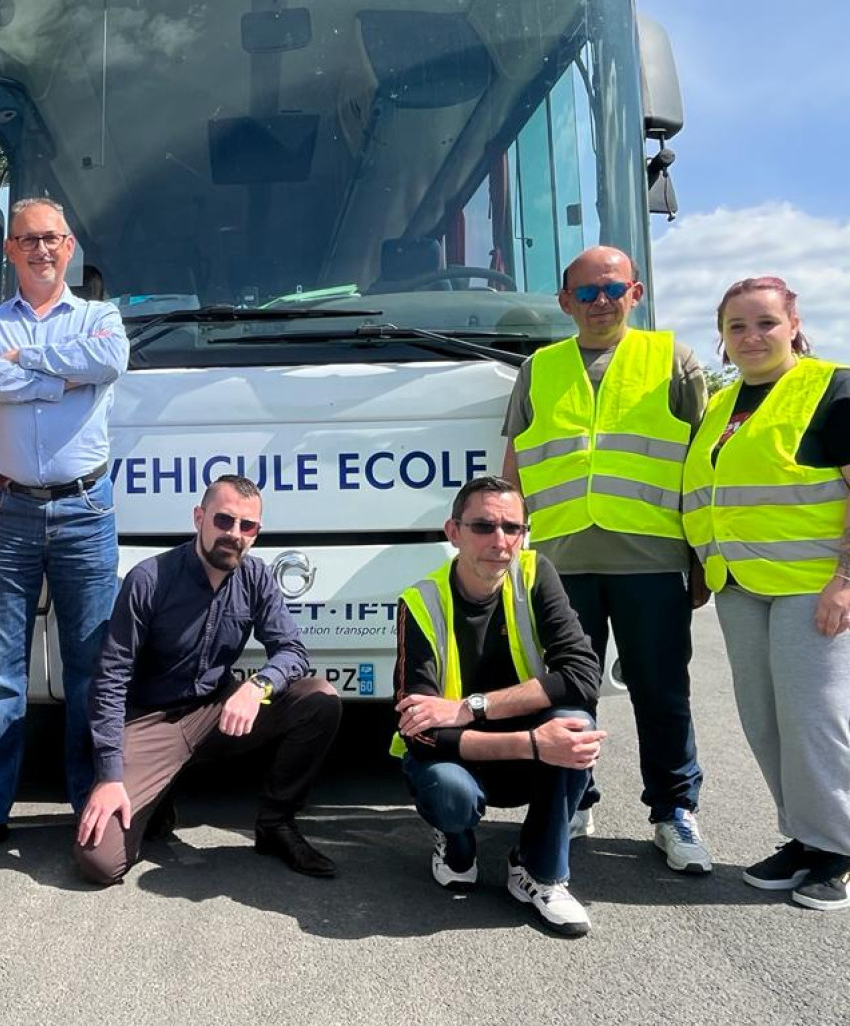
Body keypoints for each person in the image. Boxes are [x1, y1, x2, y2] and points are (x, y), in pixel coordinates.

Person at [502, 245, 712, 873]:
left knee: (661, 691)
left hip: (651, 558)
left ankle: (674, 811)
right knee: (568, 691)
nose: (600, 303)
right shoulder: (538, 369)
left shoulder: (673, 359)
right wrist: (511, 544)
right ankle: (575, 796)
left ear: (635, 294)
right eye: (586, 293)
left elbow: (705, 464)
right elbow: (513, 461)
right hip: (561, 563)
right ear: (565, 302)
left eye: (612, 290)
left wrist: (703, 557)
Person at [0, 198, 128, 866]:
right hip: (7, 512)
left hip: (85, 511)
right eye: (27, 239)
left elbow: (108, 361)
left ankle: (91, 807)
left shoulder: (100, 318)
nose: (40, 249)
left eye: (50, 238)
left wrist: (24, 366)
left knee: (91, 668)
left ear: (69, 246)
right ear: (11, 250)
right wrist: (58, 375)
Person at [76, 475, 343, 884]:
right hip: (152, 722)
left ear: (256, 533)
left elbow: (292, 652)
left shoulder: (256, 578)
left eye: (247, 526)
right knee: (99, 861)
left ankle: (276, 824)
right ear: (199, 517)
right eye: (223, 520)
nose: (234, 534)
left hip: (215, 711)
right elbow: (111, 680)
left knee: (320, 699)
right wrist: (110, 776)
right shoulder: (149, 580)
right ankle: (156, 794)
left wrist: (258, 686)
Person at [682, 277, 850, 911]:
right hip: (741, 584)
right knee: (764, 718)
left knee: (815, 720)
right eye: (736, 327)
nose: (751, 337)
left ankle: (837, 849)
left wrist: (846, 581)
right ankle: (805, 837)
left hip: (815, 586)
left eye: (764, 324)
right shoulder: (726, 406)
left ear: (793, 322)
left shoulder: (833, 388)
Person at [394, 476, 604, 936]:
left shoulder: (535, 574)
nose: (501, 541)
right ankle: (456, 845)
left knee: (574, 724)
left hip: (512, 746)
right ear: (454, 532)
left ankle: (538, 871)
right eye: (484, 527)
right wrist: (532, 742)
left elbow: (584, 676)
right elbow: (420, 732)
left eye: (513, 527)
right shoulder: (421, 601)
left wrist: (472, 707)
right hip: (456, 759)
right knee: (451, 793)